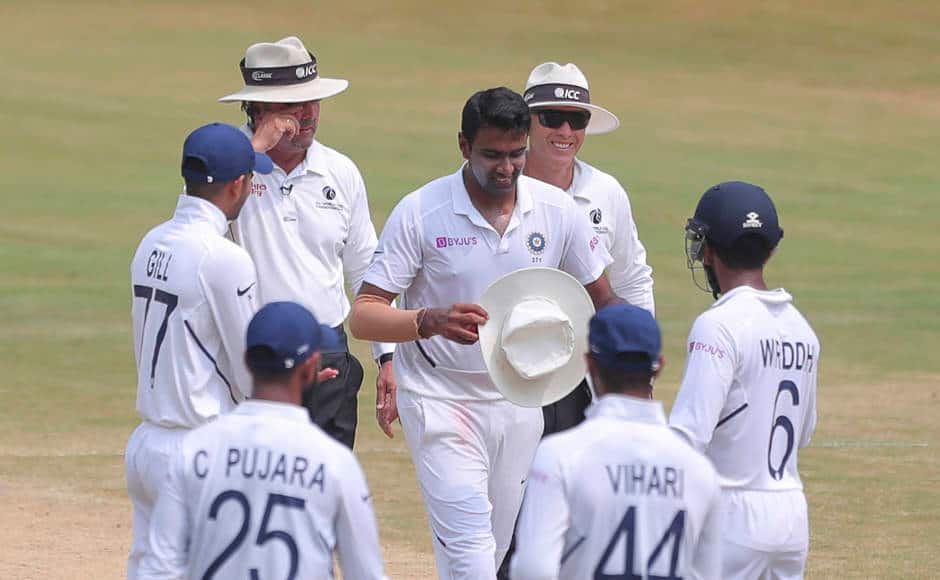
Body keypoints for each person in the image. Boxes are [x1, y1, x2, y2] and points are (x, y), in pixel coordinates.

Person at [348, 86, 622, 579]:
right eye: (492, 155)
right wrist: (427, 321)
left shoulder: (557, 211)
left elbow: (606, 303)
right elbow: (365, 313)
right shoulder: (422, 212)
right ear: (463, 145)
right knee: (471, 549)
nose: (507, 168)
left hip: (521, 400)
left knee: (493, 553)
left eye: (517, 154)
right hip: (439, 400)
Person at [218, 35, 395, 448]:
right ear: (257, 108)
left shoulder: (340, 171)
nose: (308, 114)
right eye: (292, 104)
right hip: (252, 355)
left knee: (323, 484)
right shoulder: (226, 163)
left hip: (328, 351)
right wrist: (254, 149)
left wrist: (387, 357)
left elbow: (366, 268)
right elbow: (195, 231)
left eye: (312, 100)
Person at [138, 301, 387, 580]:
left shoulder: (195, 451)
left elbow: (158, 570)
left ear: (246, 363)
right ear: (308, 371)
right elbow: (367, 574)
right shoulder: (335, 463)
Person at [125, 122, 274, 579]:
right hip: (200, 447)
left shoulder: (151, 241)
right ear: (238, 185)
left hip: (147, 444)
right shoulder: (224, 257)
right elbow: (253, 374)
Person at [670, 181, 820, 579]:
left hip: (729, 514)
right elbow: (804, 434)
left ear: (707, 250)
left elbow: (688, 435)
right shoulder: (802, 329)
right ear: (771, 249)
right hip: (790, 514)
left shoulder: (717, 325)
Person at [510, 303, 723, 580]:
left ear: (589, 364)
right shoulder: (700, 471)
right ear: (658, 368)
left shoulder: (558, 456)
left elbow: (533, 570)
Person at [522, 61, 655, 435]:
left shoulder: (606, 192)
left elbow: (633, 279)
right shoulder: (499, 182)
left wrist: (637, 361)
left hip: (582, 370)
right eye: (551, 117)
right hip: (507, 363)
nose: (565, 131)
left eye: (576, 120)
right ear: (527, 122)